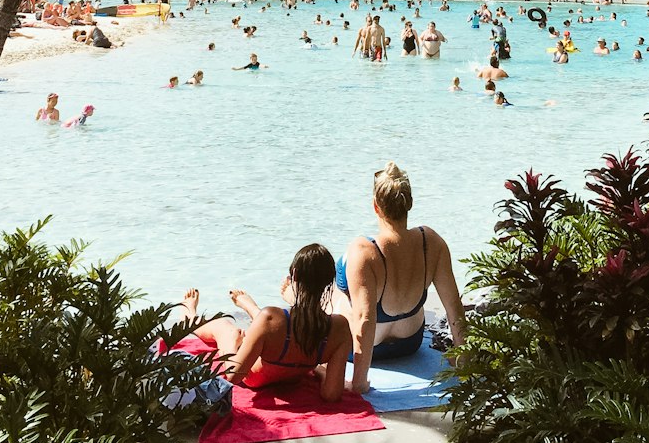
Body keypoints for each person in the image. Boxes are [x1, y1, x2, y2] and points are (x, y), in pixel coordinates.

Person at [334, 161, 466, 395]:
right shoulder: (431, 242)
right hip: (409, 343)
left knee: (337, 288)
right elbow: (454, 307)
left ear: (376, 207)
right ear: (410, 203)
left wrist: (359, 383)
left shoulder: (363, 250)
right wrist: (464, 365)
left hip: (364, 349)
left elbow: (365, 319)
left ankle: (293, 294)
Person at [177, 244, 351, 399]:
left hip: (255, 378)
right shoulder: (340, 327)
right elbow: (331, 394)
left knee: (228, 329)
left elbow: (233, 376)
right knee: (270, 322)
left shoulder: (270, 317)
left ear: (294, 276)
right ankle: (251, 307)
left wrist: (233, 344)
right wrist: (321, 372)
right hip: (293, 375)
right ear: (330, 281)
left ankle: (190, 317)